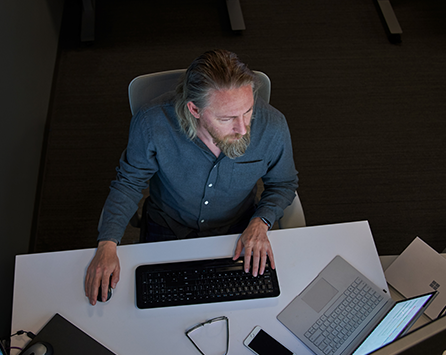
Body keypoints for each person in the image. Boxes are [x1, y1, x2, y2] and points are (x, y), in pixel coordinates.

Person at [85, 49, 298, 305]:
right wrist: (107, 244)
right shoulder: (152, 123)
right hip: (168, 224)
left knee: (248, 305)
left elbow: (284, 184)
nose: (242, 129)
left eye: (248, 111)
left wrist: (261, 221)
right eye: (227, 118)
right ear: (195, 109)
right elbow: (130, 182)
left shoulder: (273, 125)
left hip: (238, 229)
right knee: (153, 306)